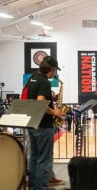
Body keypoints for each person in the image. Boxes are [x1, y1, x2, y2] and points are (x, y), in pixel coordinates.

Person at [27, 56, 63, 190]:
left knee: (34, 157)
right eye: (55, 70)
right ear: (52, 69)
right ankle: (41, 187)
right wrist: (55, 113)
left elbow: (35, 98)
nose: (55, 74)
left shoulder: (33, 78)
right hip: (43, 126)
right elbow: (40, 102)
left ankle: (33, 186)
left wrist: (51, 97)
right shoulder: (44, 82)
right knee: (44, 160)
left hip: (33, 124)